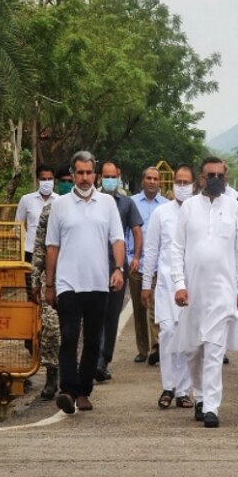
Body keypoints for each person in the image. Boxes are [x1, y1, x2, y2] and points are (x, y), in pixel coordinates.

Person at [170, 157, 238, 428]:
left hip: (223, 293)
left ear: (225, 178)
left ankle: (212, 407)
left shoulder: (233, 207)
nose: (215, 179)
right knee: (193, 350)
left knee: (215, 351)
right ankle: (201, 395)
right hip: (193, 294)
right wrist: (179, 285)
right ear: (201, 178)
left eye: (220, 175)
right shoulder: (189, 208)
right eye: (210, 174)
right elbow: (176, 249)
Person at [44, 151, 125, 414]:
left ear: (96, 175)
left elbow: (117, 240)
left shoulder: (107, 204)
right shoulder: (60, 205)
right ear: (73, 173)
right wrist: (49, 283)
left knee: (92, 340)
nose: (85, 177)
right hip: (68, 282)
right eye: (80, 173)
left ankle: (83, 391)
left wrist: (119, 269)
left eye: (89, 173)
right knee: (68, 336)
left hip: (98, 282)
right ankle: (67, 389)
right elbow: (52, 246)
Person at [142, 166, 196, 410]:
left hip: (192, 285)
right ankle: (168, 386)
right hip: (165, 286)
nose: (182, 186)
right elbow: (151, 250)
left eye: (186, 182)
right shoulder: (161, 213)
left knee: (187, 338)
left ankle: (184, 390)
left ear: (194, 184)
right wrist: (146, 284)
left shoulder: (198, 212)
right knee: (167, 335)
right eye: (178, 181)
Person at [95, 161, 143, 382]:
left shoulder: (126, 203)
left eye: (112, 176)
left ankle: (104, 360)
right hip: (94, 266)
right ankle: (93, 359)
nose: (109, 180)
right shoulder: (93, 202)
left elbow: (136, 230)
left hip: (117, 266)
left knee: (111, 315)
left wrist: (135, 257)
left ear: (119, 176)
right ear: (100, 177)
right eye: (105, 176)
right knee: (95, 313)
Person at [30, 166, 74, 400]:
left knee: (72, 332)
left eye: (70, 180)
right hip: (51, 280)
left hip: (76, 280)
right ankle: (51, 377)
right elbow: (39, 246)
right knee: (51, 330)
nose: (67, 184)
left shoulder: (81, 210)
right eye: (63, 181)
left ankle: (72, 377)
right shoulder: (49, 211)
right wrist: (35, 278)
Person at [129, 167, 168, 364]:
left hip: (159, 266)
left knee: (156, 307)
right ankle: (142, 349)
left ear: (160, 182)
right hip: (136, 264)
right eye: (148, 178)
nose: (152, 181)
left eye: (155, 179)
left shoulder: (166, 206)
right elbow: (128, 232)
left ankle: (157, 347)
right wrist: (130, 259)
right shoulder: (132, 203)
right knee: (139, 309)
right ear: (142, 180)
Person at [16, 164, 59, 262]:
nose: (47, 182)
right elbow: (18, 226)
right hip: (30, 251)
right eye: (43, 179)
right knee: (30, 277)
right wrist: (26, 241)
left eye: (50, 179)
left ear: (54, 180)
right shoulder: (26, 200)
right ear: (37, 180)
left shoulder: (60, 201)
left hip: (53, 251)